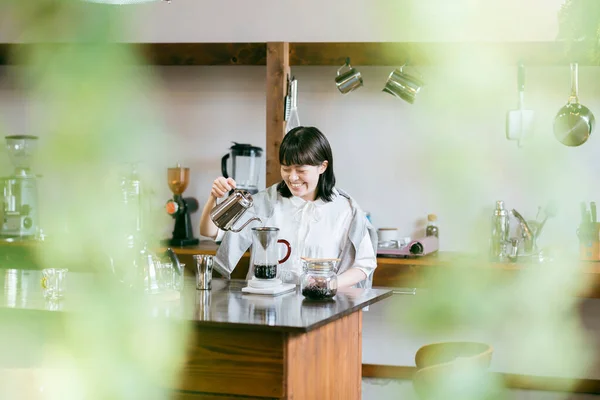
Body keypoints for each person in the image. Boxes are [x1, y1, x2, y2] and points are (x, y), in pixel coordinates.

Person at [199, 126, 377, 288]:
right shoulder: (265, 203)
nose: (292, 178)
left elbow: (364, 264)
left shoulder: (345, 209)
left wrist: (330, 284)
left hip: (323, 306)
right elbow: (209, 230)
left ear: (322, 167)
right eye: (286, 168)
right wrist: (214, 197)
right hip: (267, 308)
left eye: (301, 170)